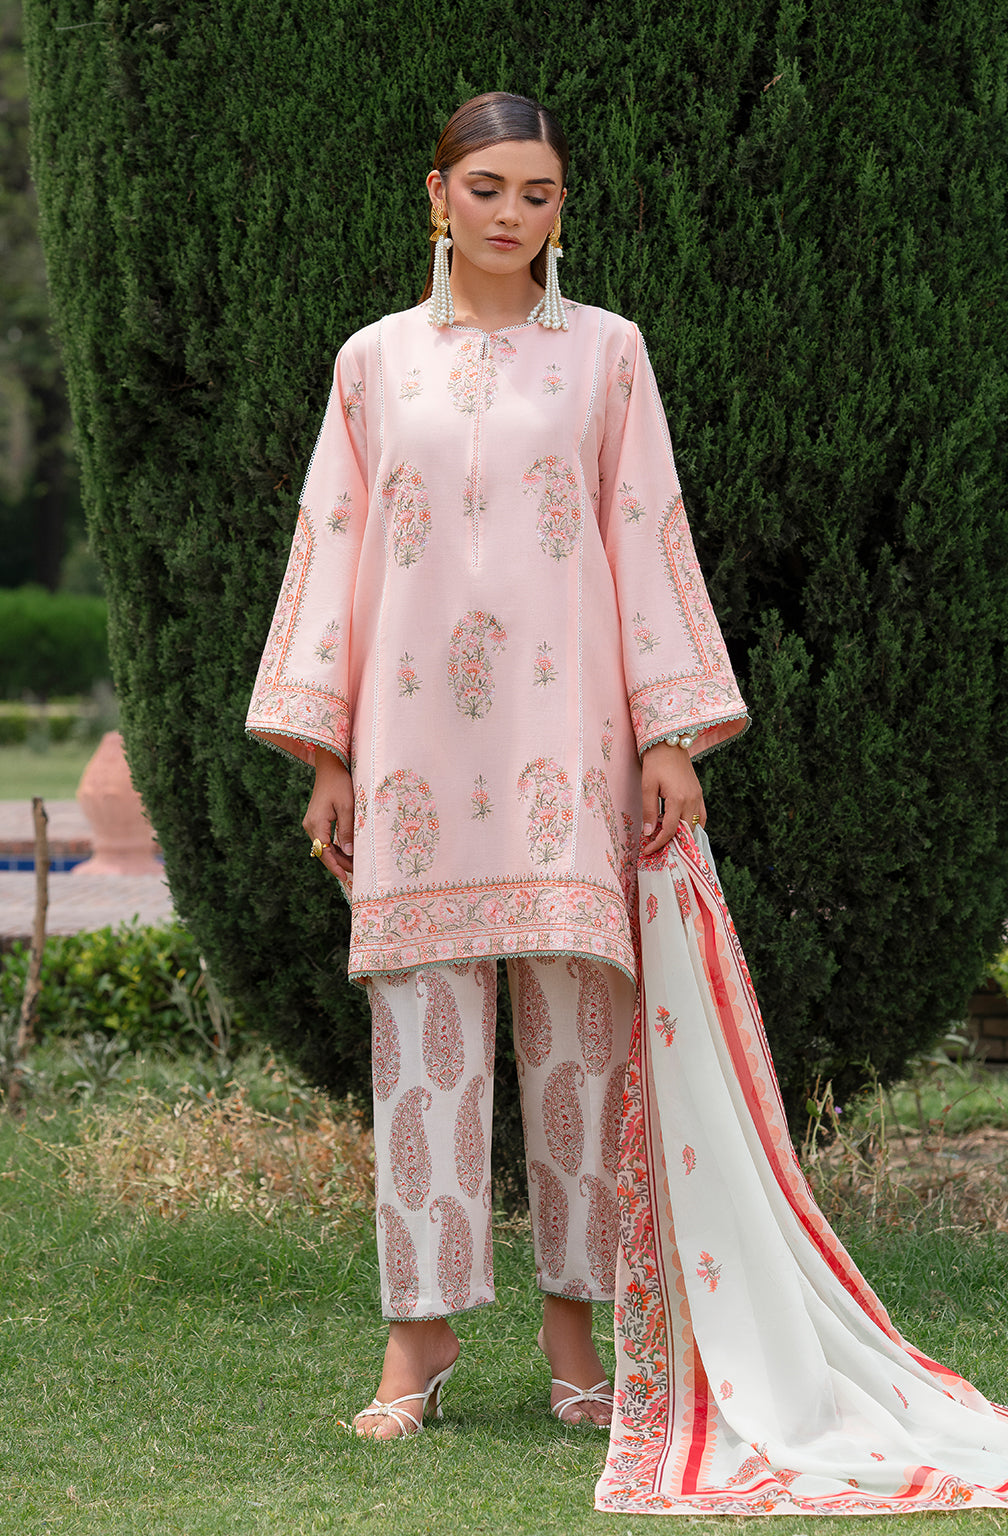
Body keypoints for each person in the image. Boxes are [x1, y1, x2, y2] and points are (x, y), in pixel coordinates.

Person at [245, 91, 748, 1440]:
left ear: (559, 209)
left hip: (562, 746)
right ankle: (417, 1348)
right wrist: (330, 754)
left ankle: (576, 1347)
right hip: (412, 752)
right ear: (437, 195)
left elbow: (646, 532)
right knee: (419, 1034)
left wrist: (666, 735)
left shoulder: (607, 357)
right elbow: (333, 549)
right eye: (487, 188)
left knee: (581, 1042)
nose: (511, 214)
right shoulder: (373, 363)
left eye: (536, 192)